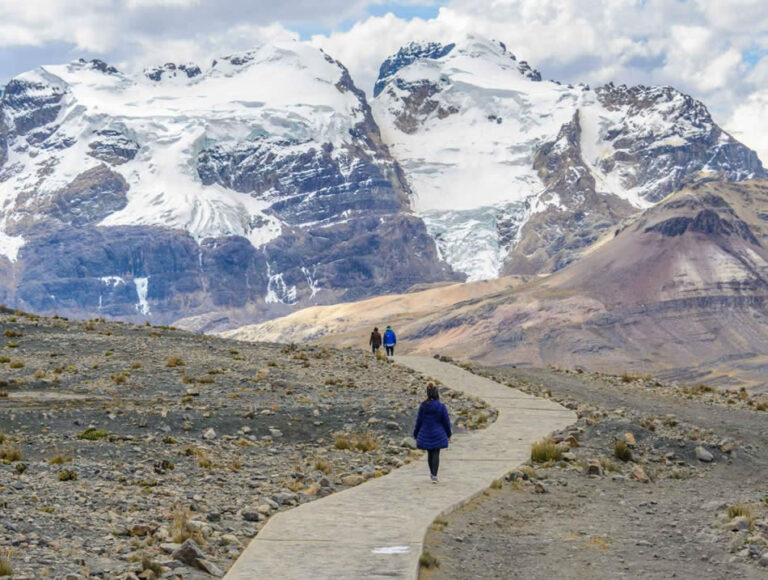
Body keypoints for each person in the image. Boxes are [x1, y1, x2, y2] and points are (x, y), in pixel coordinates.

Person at [413, 382, 452, 483]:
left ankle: (432, 473)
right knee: (436, 453)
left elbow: (419, 421)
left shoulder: (423, 406)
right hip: (438, 433)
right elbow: (446, 421)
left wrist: (416, 433)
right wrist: (448, 434)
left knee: (430, 453)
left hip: (425, 432)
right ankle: (434, 475)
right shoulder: (441, 406)